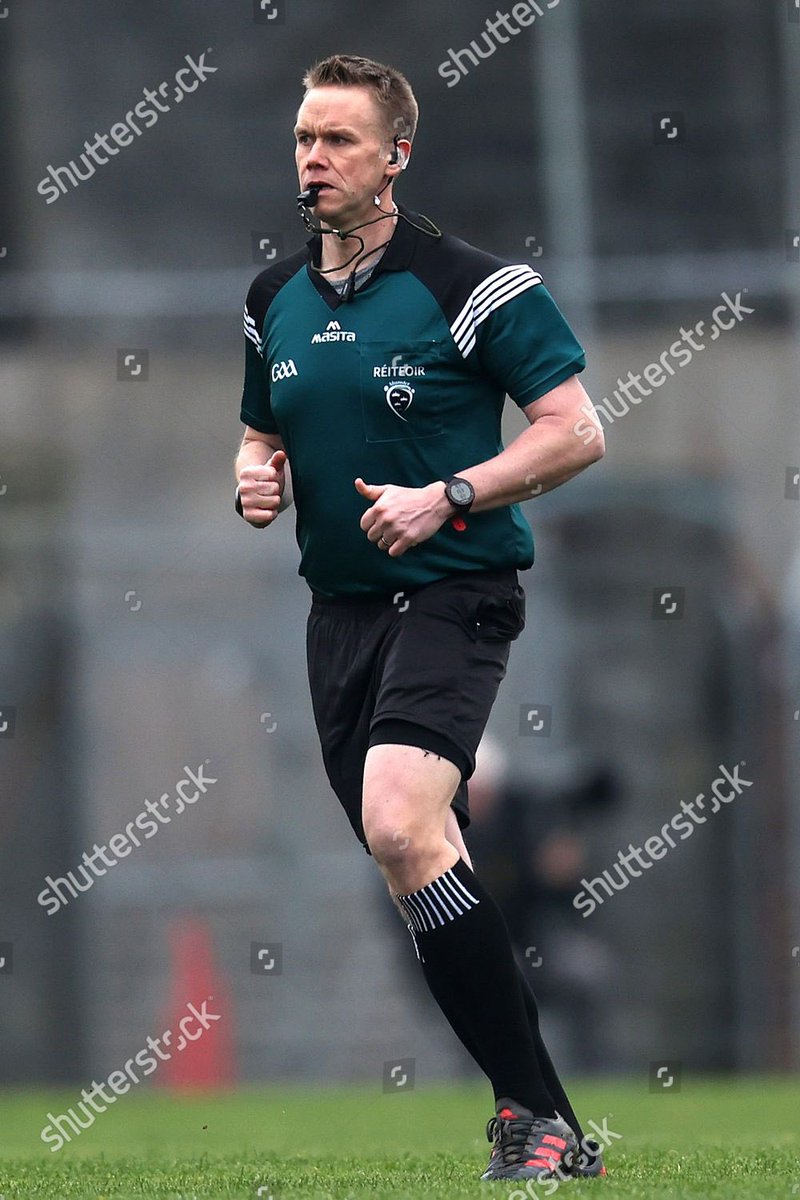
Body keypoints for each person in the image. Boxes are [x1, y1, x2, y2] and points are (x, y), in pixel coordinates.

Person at [234, 54, 606, 1184]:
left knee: (402, 828)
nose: (314, 159)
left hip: (454, 595)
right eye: (304, 139)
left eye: (339, 140)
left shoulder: (474, 286)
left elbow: (575, 430)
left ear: (396, 155)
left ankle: (529, 1114)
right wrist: (253, 471)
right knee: (416, 860)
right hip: (339, 619)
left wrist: (449, 493)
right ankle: (545, 1118)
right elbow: (264, 429)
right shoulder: (271, 299)